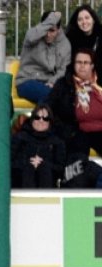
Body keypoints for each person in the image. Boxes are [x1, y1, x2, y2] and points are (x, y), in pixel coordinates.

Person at [46, 49, 102, 187]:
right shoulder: (64, 84)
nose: (82, 66)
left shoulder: (99, 83)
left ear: (92, 65)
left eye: (86, 62)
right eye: (78, 62)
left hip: (100, 130)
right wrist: (62, 128)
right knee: (77, 160)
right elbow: (48, 107)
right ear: (73, 64)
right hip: (75, 131)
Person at [15, 11, 71, 105]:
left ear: (58, 29)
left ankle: (40, 118)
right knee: (50, 96)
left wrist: (52, 82)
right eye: (46, 30)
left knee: (63, 97)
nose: (48, 34)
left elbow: (63, 70)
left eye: (52, 30)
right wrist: (53, 18)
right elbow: (32, 37)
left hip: (50, 84)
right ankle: (40, 118)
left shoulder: (64, 44)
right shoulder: (33, 35)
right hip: (26, 81)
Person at [11, 103, 65, 188]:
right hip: (20, 184)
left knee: (44, 168)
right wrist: (29, 163)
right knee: (28, 169)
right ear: (32, 119)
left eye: (45, 118)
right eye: (37, 117)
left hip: (48, 182)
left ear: (50, 122)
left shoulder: (57, 142)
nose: (41, 120)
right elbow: (10, 163)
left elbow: (60, 168)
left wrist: (43, 164)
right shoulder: (19, 138)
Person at [65, 5, 102, 74]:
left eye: (87, 18)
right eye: (80, 19)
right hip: (79, 77)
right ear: (76, 23)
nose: (84, 22)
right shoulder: (72, 39)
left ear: (93, 20)